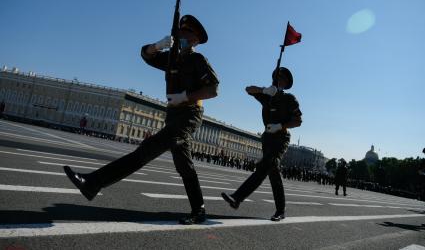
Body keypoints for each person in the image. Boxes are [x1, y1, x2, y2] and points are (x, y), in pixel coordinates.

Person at [63, 15, 219, 225]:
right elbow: (146, 56)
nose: (180, 35)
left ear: (196, 40)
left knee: (146, 150)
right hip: (173, 115)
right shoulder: (172, 57)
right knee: (184, 166)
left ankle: (93, 182)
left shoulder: (198, 60)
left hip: (189, 115)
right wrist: (157, 45)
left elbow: (213, 89)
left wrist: (185, 96)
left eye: (186, 33)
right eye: (179, 31)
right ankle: (199, 210)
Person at [221, 67, 302, 221]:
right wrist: (265, 90)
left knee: (266, 166)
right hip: (267, 138)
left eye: (282, 80)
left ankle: (237, 197)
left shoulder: (290, 99)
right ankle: (280, 210)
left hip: (281, 137)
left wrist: (280, 126)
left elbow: (298, 121)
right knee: (273, 173)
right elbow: (248, 89)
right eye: (277, 78)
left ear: (286, 84)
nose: (279, 81)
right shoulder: (268, 96)